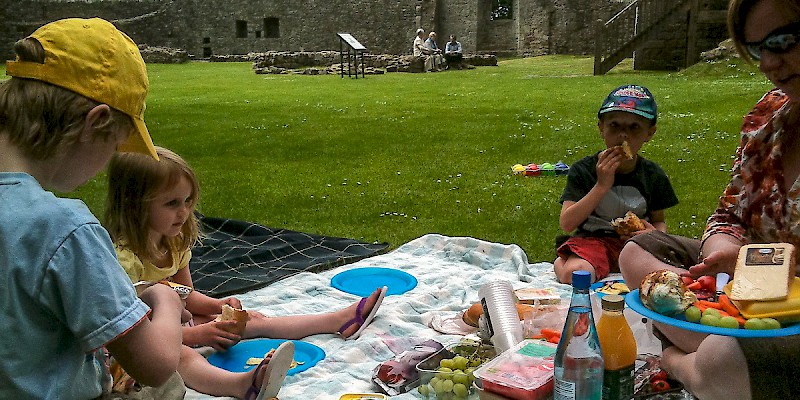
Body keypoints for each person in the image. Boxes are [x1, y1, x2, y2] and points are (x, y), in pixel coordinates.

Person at [618, 1, 800, 399]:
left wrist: (772, 273)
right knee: (636, 252)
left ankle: (679, 360)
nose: (768, 63)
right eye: (756, 50)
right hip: (740, 287)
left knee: (722, 356)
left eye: (784, 41)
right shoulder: (766, 117)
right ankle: (730, 360)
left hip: (791, 313)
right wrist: (724, 249)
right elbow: (729, 213)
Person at [0, 18, 187, 399]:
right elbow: (153, 364)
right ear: (96, 121)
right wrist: (165, 299)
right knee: (171, 385)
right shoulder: (64, 228)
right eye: (115, 145)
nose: (109, 163)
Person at [104, 146, 387, 351]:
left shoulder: (174, 241)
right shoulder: (125, 261)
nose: (184, 212)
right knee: (184, 360)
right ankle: (238, 385)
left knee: (251, 322)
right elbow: (134, 334)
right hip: (145, 343)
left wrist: (217, 306)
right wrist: (198, 335)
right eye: (172, 203)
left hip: (179, 323)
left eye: (188, 201)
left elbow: (186, 296)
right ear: (135, 205)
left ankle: (336, 320)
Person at [554, 84, 678, 284]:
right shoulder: (583, 170)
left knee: (665, 279)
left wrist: (654, 235)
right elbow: (567, 223)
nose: (623, 135)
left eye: (634, 127)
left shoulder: (653, 175)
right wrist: (602, 185)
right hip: (592, 241)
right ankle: (563, 263)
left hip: (636, 244)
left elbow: (659, 220)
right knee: (576, 276)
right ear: (601, 128)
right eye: (615, 126)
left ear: (650, 133)